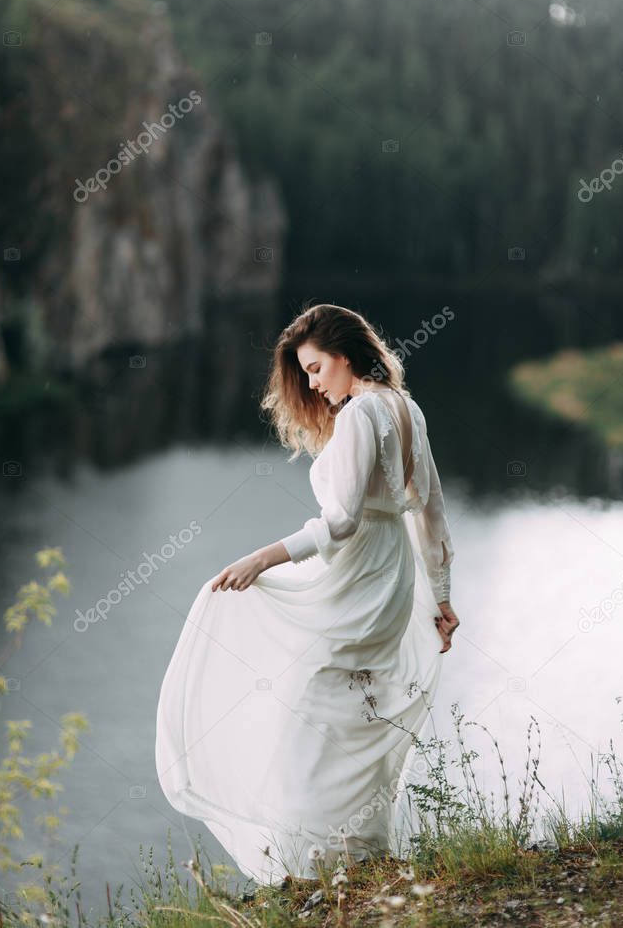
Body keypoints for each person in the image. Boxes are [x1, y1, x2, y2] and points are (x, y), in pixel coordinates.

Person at [154, 303, 460, 887]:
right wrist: (440, 596)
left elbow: (342, 521)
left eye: (317, 369)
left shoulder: (359, 416)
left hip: (358, 576)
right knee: (349, 710)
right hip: (390, 573)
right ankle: (355, 861)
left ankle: (319, 866)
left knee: (310, 711)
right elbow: (432, 512)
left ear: (345, 357)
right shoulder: (406, 408)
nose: (313, 384)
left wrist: (261, 557)